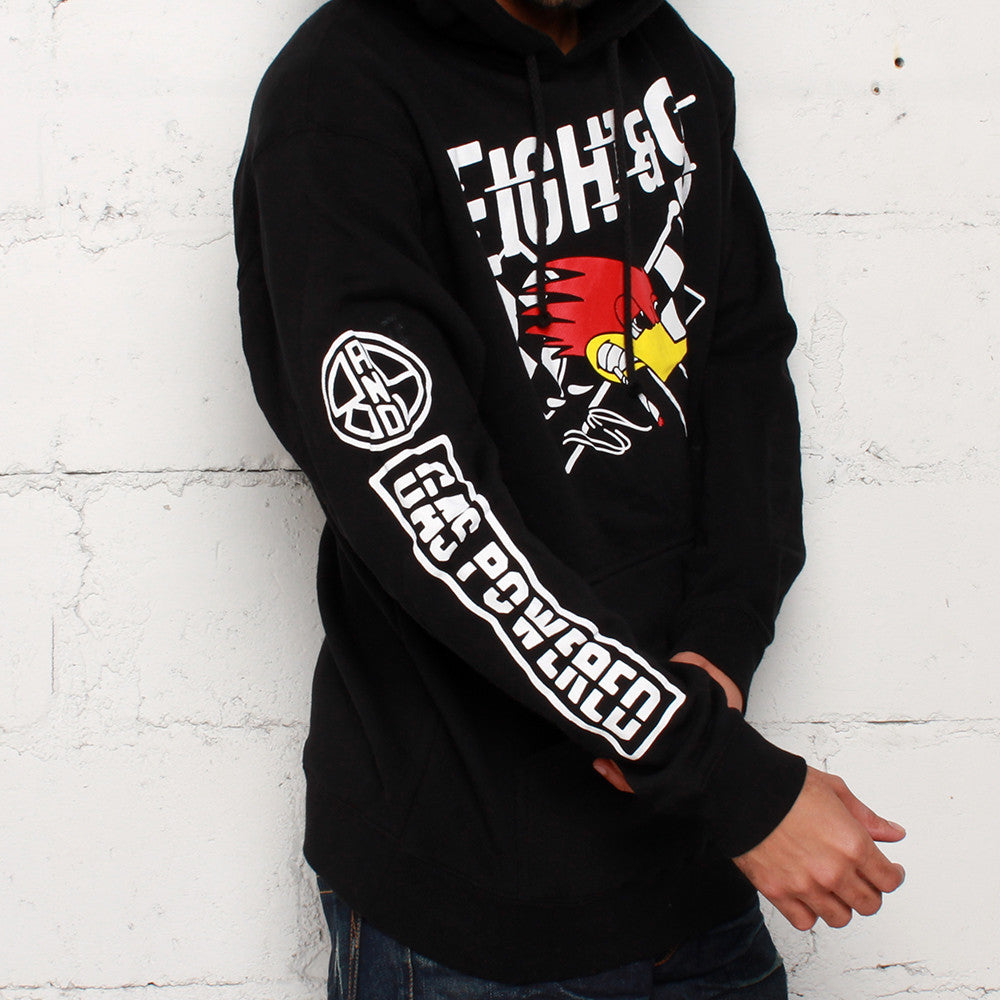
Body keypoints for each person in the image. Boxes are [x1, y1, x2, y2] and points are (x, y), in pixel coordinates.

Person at [233, 0, 907, 995]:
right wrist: (707, 762)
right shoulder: (339, 96)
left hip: (693, 850)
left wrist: (720, 651)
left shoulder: (668, 61)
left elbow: (742, 369)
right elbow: (423, 496)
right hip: (474, 901)